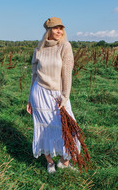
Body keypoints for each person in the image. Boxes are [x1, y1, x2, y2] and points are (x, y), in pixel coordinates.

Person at [26, 17, 80, 174]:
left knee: (68, 128)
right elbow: (34, 76)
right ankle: (49, 162)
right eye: (56, 28)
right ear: (48, 30)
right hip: (39, 93)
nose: (59, 31)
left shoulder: (65, 47)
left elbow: (67, 74)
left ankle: (64, 162)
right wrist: (29, 98)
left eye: (61, 28)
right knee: (44, 130)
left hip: (58, 94)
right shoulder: (39, 50)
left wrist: (65, 96)